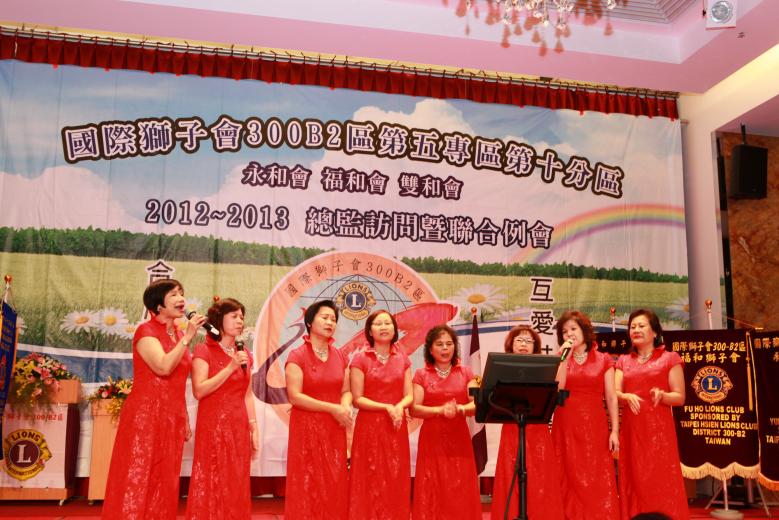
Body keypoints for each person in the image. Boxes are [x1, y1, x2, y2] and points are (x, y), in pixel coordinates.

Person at [103, 279, 205, 520]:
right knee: (138, 474)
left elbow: (178, 382)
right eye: (174, 294)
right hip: (145, 415)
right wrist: (188, 337)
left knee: (165, 478)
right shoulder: (146, 331)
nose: (181, 298)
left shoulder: (178, 334)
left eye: (182, 293)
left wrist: (184, 416)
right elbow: (163, 367)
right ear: (158, 305)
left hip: (172, 417)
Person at [185, 298, 258, 520]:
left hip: (238, 424)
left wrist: (254, 427)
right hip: (213, 425)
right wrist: (230, 367)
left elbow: (247, 394)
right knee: (212, 476)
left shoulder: (244, 353)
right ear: (219, 320)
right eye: (234, 316)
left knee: (236, 477)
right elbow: (199, 390)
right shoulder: (203, 350)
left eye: (242, 317)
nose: (240, 321)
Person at [615, 308, 688, 520]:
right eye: (632, 327)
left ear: (655, 331)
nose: (636, 330)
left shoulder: (669, 358)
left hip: (659, 434)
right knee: (634, 479)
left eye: (641, 325)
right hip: (632, 432)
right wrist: (625, 396)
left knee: (660, 480)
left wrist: (663, 395)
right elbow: (614, 393)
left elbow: (680, 397)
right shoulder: (623, 361)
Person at [284, 300, 352, 520]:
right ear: (310, 322)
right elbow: (295, 396)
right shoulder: (297, 355)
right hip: (306, 429)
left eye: (333, 319)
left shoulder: (340, 355)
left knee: (333, 481)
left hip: (334, 428)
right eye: (324, 317)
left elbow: (346, 390)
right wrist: (332, 408)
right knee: (307, 482)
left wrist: (345, 405)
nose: (330, 322)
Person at [490, 325, 564, 520]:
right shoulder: (501, 367)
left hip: (538, 428)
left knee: (540, 475)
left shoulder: (544, 368)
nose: (524, 344)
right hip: (512, 427)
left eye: (528, 341)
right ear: (511, 344)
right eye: (519, 340)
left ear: (535, 346)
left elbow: (556, 392)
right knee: (512, 472)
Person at [552, 310, 620, 520]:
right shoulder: (560, 358)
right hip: (566, 424)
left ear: (584, 331)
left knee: (595, 474)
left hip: (594, 427)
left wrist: (614, 431)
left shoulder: (603, 359)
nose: (569, 334)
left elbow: (611, 397)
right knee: (567, 473)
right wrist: (564, 359)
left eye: (573, 329)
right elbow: (558, 389)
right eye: (564, 332)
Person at [410, 324, 482, 520]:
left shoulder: (466, 372)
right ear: (430, 349)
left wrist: (460, 409)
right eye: (439, 344)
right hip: (432, 440)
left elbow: (476, 404)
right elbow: (414, 408)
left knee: (459, 485)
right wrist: (439, 410)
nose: (445, 348)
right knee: (433, 485)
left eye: (449, 344)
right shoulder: (421, 374)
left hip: (459, 438)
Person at [349, 310, 413, 520]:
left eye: (388, 323)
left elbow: (409, 395)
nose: (383, 327)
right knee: (369, 476)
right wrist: (387, 407)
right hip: (369, 426)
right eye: (378, 324)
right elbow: (357, 399)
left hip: (395, 426)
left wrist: (399, 406)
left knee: (395, 476)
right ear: (370, 331)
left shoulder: (402, 359)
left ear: (394, 330)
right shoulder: (360, 359)